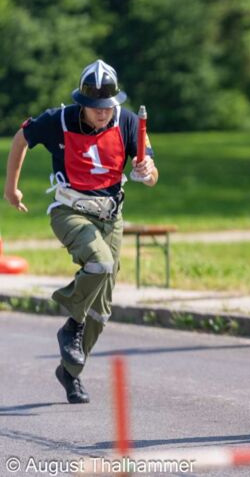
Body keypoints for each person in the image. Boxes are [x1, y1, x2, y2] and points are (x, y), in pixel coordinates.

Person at [3, 59, 158, 404]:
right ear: (81, 103)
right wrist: (11, 189)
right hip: (69, 211)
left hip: (110, 217)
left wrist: (147, 171)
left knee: (101, 311)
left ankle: (70, 373)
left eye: (108, 106)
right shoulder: (58, 120)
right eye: (95, 106)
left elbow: (151, 174)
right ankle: (72, 323)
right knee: (100, 263)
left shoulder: (128, 122)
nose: (102, 113)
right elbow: (21, 138)